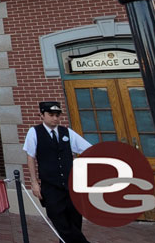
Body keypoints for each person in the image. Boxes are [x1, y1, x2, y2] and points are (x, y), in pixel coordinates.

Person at [23, 101, 92, 243]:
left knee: (74, 221)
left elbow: (88, 150)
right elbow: (30, 157)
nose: (55, 118)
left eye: (57, 115)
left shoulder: (67, 133)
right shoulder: (34, 132)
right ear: (42, 115)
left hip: (71, 186)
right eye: (51, 115)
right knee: (61, 223)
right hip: (51, 187)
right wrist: (34, 183)